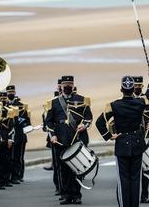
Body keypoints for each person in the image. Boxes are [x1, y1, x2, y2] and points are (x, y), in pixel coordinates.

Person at [95, 71, 149, 207]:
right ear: (133, 89)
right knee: (135, 179)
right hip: (137, 144)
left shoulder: (114, 105)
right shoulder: (140, 102)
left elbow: (99, 122)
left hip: (122, 144)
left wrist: (109, 136)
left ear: (121, 90)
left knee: (123, 180)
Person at [45, 76, 93, 205]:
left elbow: (88, 117)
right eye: (65, 84)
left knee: (76, 168)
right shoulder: (54, 102)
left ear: (73, 85)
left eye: (70, 84)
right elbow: (48, 122)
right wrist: (52, 135)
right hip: (60, 139)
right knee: (63, 169)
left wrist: (85, 125)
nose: (67, 86)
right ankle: (66, 195)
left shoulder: (82, 99)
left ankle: (77, 195)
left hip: (76, 137)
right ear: (61, 86)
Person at [132, 75, 149, 203]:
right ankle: (133, 194)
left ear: (142, 86)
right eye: (135, 86)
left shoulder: (148, 101)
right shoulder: (127, 101)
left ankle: (144, 195)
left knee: (145, 168)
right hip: (132, 139)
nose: (137, 88)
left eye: (139, 86)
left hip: (146, 138)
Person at [6, 85, 31, 184]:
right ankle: (10, 176)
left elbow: (26, 120)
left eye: (12, 92)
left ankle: (18, 175)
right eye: (9, 92)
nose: (10, 94)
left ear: (15, 93)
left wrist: (17, 120)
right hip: (9, 135)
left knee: (18, 157)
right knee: (9, 157)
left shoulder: (21, 105)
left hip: (20, 135)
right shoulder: (4, 105)